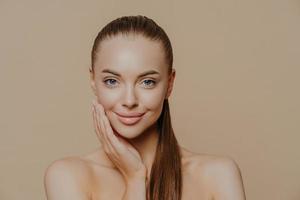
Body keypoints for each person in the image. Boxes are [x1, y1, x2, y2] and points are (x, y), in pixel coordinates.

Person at [44, 15, 246, 200]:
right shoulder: (68, 176)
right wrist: (135, 178)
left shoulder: (218, 175)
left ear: (170, 83)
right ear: (93, 81)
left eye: (147, 82)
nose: (129, 100)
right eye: (112, 81)